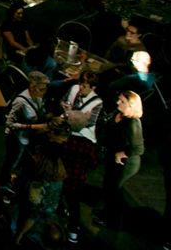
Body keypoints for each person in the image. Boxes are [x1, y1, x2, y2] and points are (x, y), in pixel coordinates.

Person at [60, 70, 102, 242]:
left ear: (93, 87)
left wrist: (70, 114)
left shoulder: (97, 102)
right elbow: (65, 103)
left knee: (74, 190)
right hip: (69, 138)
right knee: (61, 178)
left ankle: (73, 227)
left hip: (82, 142)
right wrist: (69, 111)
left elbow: (86, 123)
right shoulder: (74, 88)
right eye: (81, 83)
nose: (81, 87)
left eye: (85, 85)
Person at [95, 91, 144, 229]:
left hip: (126, 163)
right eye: (119, 100)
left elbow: (139, 148)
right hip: (113, 158)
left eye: (122, 101)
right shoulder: (117, 114)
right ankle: (107, 214)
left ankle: (112, 221)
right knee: (109, 187)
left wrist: (122, 153)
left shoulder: (133, 122)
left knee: (113, 190)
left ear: (131, 105)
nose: (118, 103)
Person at [3, 71, 50, 183]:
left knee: (21, 161)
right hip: (18, 138)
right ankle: (4, 183)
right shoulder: (20, 102)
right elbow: (9, 123)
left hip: (29, 138)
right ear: (33, 87)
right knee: (12, 162)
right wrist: (33, 126)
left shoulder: (38, 97)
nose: (45, 92)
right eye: (42, 89)